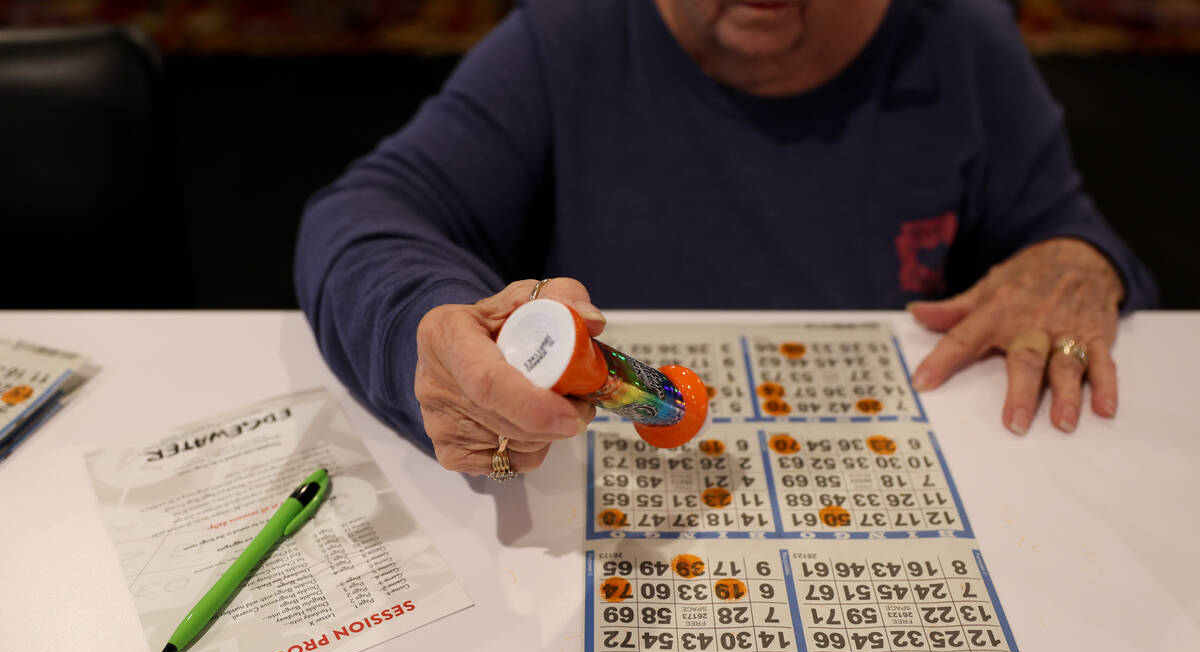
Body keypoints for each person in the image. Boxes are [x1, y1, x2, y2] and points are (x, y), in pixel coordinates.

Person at [295, 0, 1158, 479]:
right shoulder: (569, 36)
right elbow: (366, 214)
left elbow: (1066, 237)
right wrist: (430, 329)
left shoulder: (963, 39)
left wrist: (1080, 263)